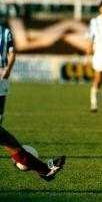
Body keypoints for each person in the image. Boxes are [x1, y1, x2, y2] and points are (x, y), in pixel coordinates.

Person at [0, 24, 66, 181]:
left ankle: (44, 170)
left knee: (7, 140)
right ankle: (44, 170)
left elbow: (12, 53)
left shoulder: (5, 32)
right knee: (7, 140)